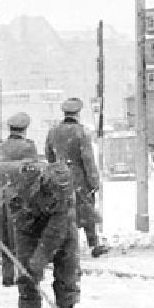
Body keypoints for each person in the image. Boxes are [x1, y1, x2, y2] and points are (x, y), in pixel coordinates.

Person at [9, 159, 79, 308]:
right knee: (26, 273)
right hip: (28, 225)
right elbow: (14, 213)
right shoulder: (23, 180)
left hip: (62, 225)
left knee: (67, 271)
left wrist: (40, 258)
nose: (57, 196)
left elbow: (55, 232)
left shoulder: (63, 192)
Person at [45, 97, 105, 257]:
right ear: (78, 113)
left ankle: (58, 247)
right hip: (78, 178)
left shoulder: (53, 131)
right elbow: (88, 159)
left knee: (60, 212)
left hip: (58, 178)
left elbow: (49, 156)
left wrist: (55, 172)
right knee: (86, 210)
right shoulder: (81, 132)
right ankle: (94, 244)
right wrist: (94, 181)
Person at [0, 111, 38, 287]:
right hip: (19, 195)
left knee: (4, 236)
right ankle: (23, 273)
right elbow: (32, 173)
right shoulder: (28, 147)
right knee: (21, 235)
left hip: (0, 194)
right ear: (25, 130)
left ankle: (7, 275)